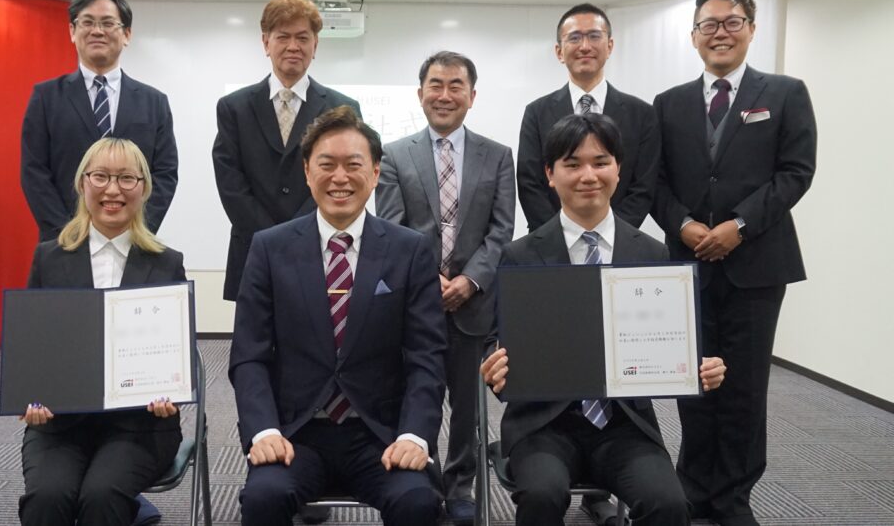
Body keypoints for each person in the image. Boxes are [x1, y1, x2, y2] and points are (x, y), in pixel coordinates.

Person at [480, 113, 727, 526]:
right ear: (550, 174)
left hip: (624, 425)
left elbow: (672, 338)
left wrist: (698, 367)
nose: (588, 175)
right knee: (541, 495)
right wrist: (494, 362)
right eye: (572, 164)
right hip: (542, 426)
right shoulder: (521, 254)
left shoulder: (651, 253)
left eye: (600, 162)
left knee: (668, 503)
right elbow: (496, 336)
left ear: (618, 168)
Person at [228, 106, 446, 526]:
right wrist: (264, 431)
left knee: (417, 501)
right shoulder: (269, 248)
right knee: (263, 497)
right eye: (326, 165)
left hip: (380, 435)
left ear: (376, 172)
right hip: (296, 434)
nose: (340, 177)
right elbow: (249, 356)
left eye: (354, 165)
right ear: (307, 172)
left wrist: (414, 436)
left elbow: (427, 357)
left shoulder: (410, 250)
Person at [652, 0, 817, 526]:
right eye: (709, 24)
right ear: (693, 35)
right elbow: (654, 182)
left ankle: (732, 497)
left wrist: (739, 226)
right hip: (688, 266)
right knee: (693, 380)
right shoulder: (669, 103)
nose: (720, 32)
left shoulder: (785, 93)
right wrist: (684, 224)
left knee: (744, 386)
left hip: (757, 265)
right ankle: (694, 487)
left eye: (731, 22)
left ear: (751, 28)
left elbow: (796, 173)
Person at [376, 51, 514, 524]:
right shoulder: (394, 155)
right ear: (420, 94)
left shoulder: (498, 155)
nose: (445, 94)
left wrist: (469, 280)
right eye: (436, 85)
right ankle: (425, 479)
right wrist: (428, 279)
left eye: (456, 86)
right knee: (418, 393)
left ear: (472, 96)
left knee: (468, 406)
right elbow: (391, 225)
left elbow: (501, 230)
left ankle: (460, 485)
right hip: (415, 302)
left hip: (474, 302)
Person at [18, 138, 184, 526]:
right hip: (60, 424)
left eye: (127, 178)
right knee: (47, 498)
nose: (113, 190)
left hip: (140, 426)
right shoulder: (48, 258)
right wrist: (30, 394)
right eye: (101, 177)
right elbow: (33, 345)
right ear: (82, 184)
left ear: (144, 188)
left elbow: (175, 352)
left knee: (101, 497)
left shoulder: (166, 263)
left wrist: (172, 392)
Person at [213, 0, 360, 302]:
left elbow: (342, 178)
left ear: (315, 45)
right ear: (266, 42)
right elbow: (231, 185)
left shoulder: (342, 108)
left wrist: (299, 234)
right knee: (255, 331)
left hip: (320, 248)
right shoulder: (234, 107)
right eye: (283, 37)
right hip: (252, 248)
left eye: (302, 38)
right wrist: (271, 239)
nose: (293, 46)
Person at [21, 0, 178, 242]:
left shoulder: (154, 102)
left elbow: (165, 174)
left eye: (107, 23)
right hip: (63, 242)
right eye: (87, 22)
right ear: (72, 31)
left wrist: (136, 230)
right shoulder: (46, 97)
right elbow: (34, 172)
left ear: (127, 34)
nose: (97, 31)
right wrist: (68, 234)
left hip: (134, 242)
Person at [517, 3, 659, 233]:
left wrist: (609, 234)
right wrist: (563, 236)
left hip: (620, 242)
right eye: (574, 38)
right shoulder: (536, 112)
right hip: (552, 243)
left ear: (610, 46)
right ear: (559, 52)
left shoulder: (641, 114)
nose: (584, 46)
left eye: (594, 36)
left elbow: (644, 186)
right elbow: (529, 183)